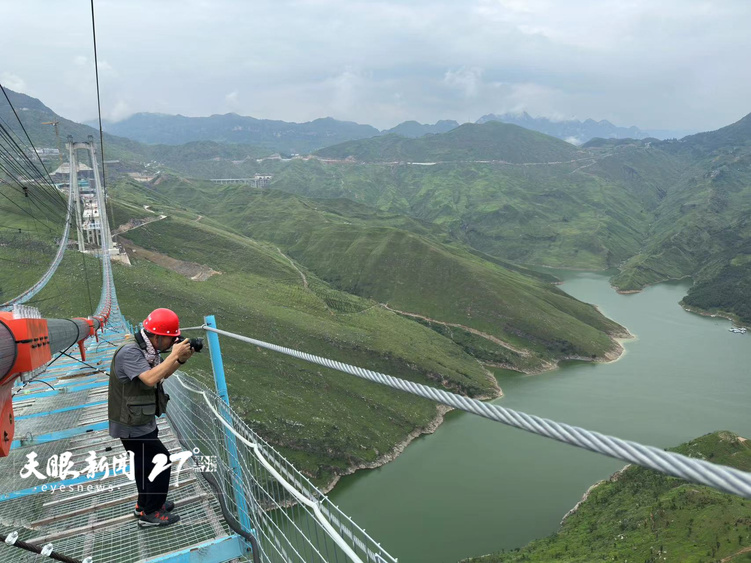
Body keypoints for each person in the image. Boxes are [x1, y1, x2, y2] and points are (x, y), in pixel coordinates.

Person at [108, 308, 193, 527]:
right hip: (130, 422)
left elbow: (159, 377)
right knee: (161, 460)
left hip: (140, 418)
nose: (172, 343)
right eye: (171, 339)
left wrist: (179, 360)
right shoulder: (130, 352)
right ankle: (151, 513)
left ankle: (145, 504)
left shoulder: (146, 350)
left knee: (144, 463)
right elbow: (149, 379)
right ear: (157, 336)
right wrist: (174, 355)